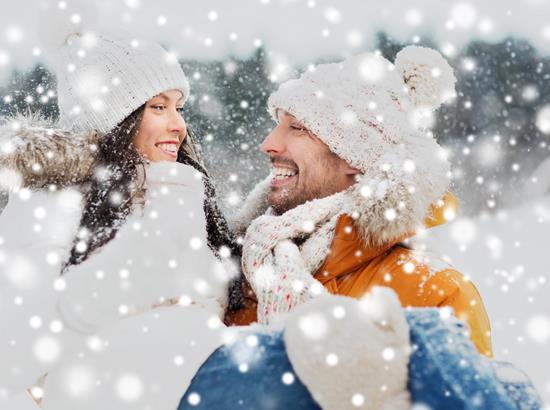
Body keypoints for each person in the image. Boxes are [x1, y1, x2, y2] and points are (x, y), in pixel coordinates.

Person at [0, 32, 241, 408]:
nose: (179, 124)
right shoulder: (49, 207)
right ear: (114, 118)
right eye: (158, 107)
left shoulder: (184, 194)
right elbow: (14, 358)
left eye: (179, 107)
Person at [225, 46, 493, 357]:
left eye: (296, 128)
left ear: (355, 157)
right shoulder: (239, 269)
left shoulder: (434, 296)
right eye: (278, 124)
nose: (268, 143)